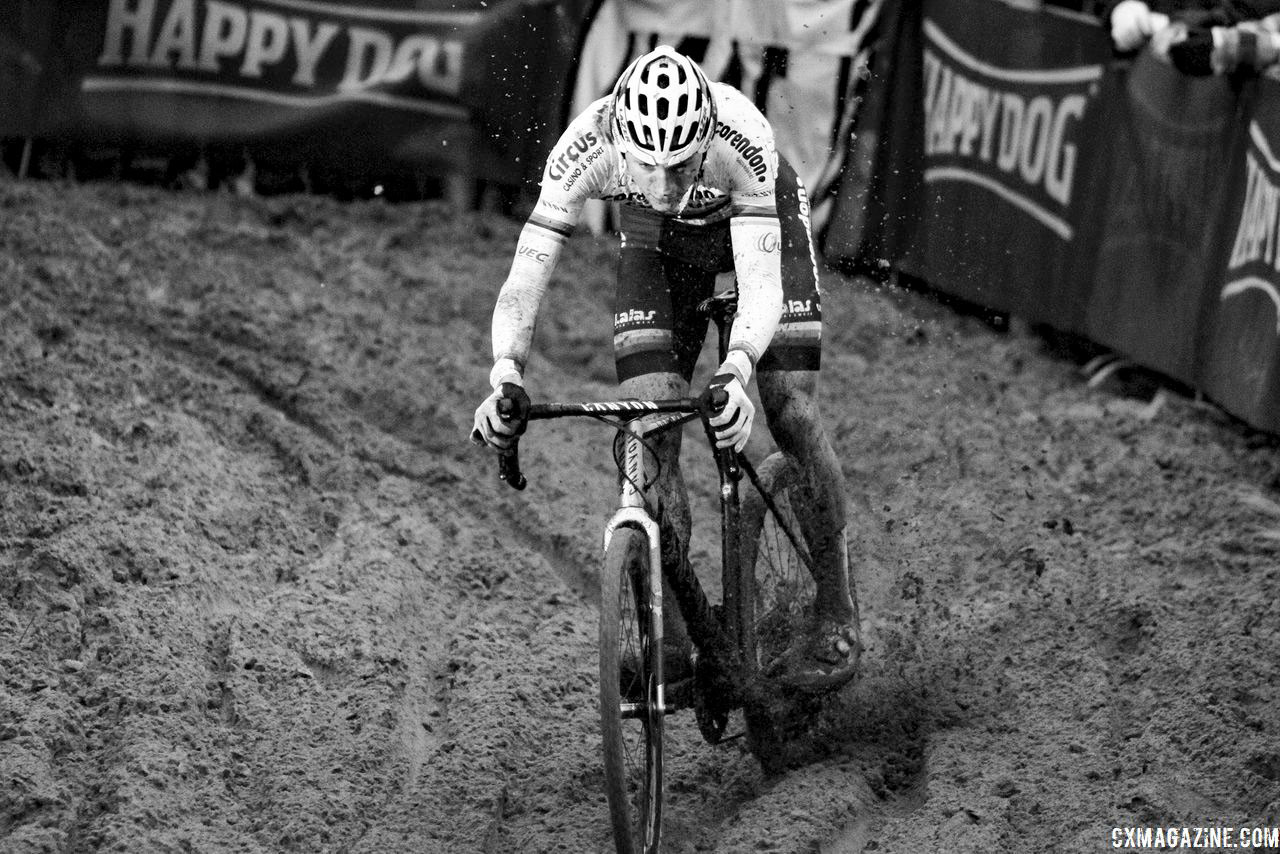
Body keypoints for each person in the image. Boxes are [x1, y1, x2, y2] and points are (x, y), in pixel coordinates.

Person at [470, 45, 859, 691]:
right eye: (645, 165)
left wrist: (735, 370)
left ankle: (836, 604)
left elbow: (761, 291)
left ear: (705, 137)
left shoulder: (745, 140)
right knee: (650, 428)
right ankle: (676, 637)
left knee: (787, 405)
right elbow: (524, 280)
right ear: (619, 139)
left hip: (756, 231)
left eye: (679, 165)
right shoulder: (584, 148)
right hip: (660, 249)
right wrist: (505, 373)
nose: (662, 183)